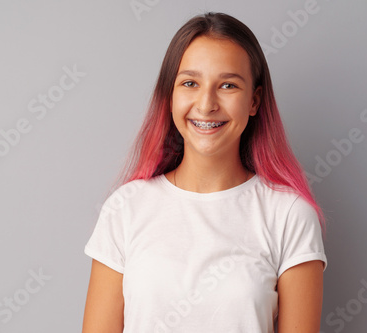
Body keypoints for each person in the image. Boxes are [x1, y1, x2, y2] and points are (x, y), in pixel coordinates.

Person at [82, 11, 328, 333]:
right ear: (169, 96)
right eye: (190, 83)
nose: (206, 103)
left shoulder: (290, 215)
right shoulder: (125, 209)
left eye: (227, 85)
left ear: (254, 101)